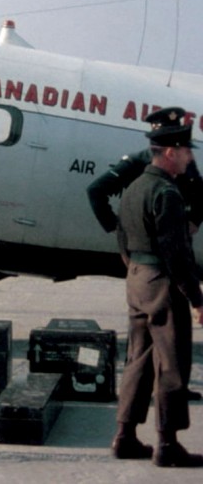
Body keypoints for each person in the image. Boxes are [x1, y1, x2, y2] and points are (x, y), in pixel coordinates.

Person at [88, 109, 203, 403]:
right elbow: (96, 190)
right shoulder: (142, 165)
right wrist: (116, 228)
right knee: (166, 344)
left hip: (152, 263)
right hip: (159, 266)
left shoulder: (182, 165)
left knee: (156, 346)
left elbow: (200, 194)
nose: (187, 156)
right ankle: (167, 432)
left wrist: (194, 221)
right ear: (166, 146)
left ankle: (137, 418)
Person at [111, 108, 203, 467]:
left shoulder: (134, 187)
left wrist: (135, 269)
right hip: (162, 283)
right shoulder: (167, 193)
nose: (189, 157)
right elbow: (177, 253)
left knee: (138, 359)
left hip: (136, 278)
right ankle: (167, 444)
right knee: (171, 362)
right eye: (185, 151)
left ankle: (125, 435)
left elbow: (121, 235)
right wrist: (196, 297)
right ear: (170, 153)